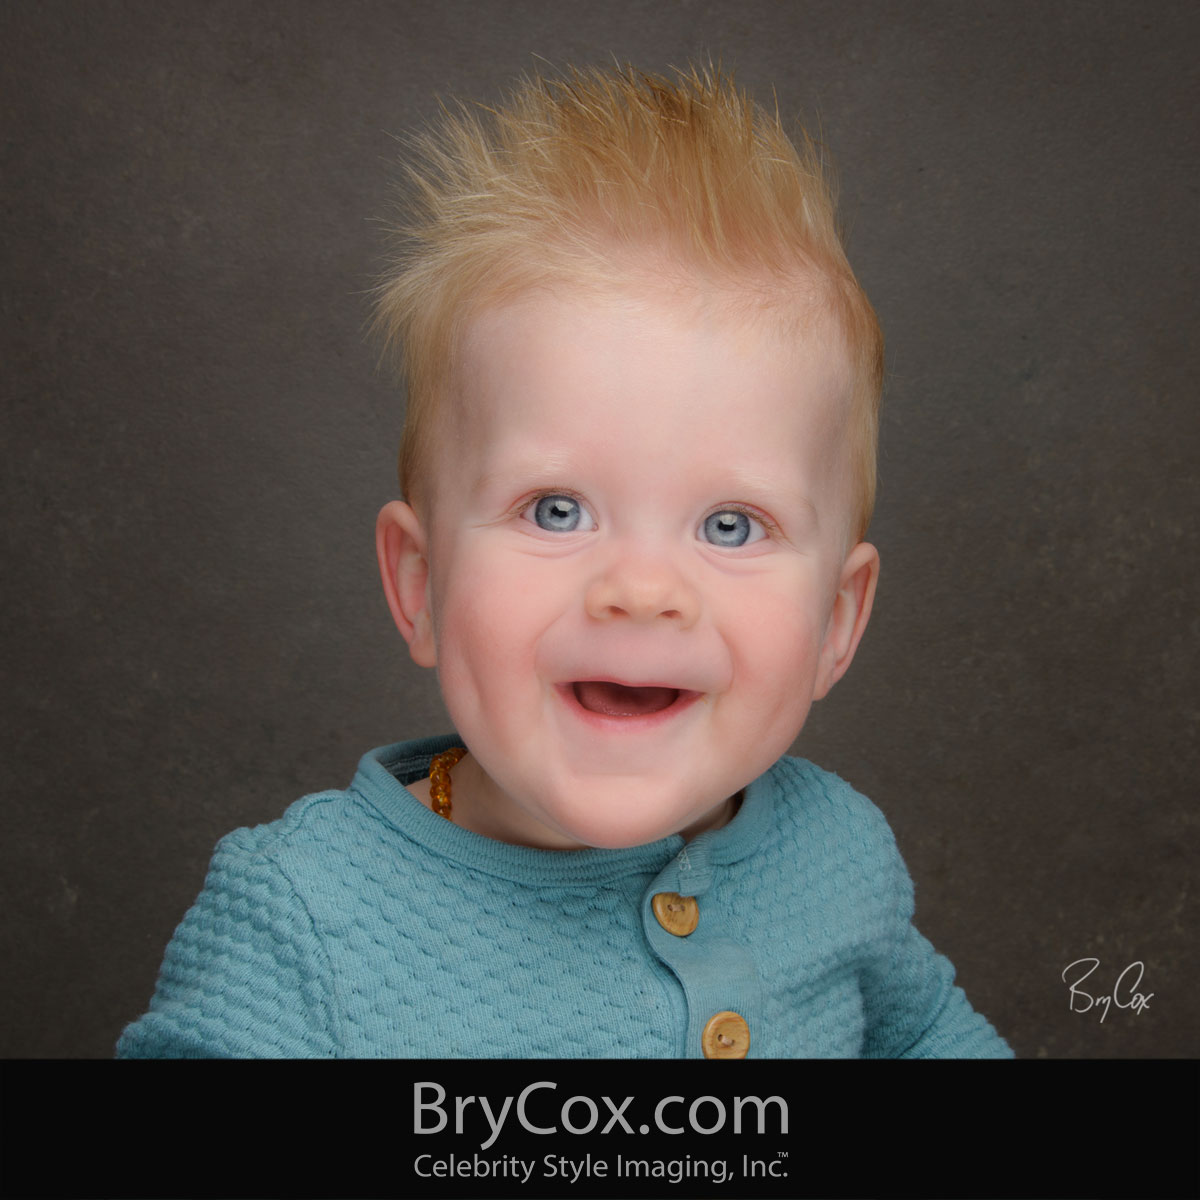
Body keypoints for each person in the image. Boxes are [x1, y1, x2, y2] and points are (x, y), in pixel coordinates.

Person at [118, 65, 1011, 1058]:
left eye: (730, 526)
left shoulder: (836, 855)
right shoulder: (304, 920)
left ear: (837, 624)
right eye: (556, 510)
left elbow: (925, 1034)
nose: (642, 590)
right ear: (420, 586)